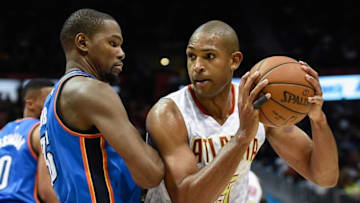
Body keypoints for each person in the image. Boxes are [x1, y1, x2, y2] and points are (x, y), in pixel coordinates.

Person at [144, 20, 339, 203]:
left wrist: (318, 120)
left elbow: (325, 177)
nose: (197, 67)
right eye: (191, 56)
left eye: (209, 56)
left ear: (234, 61)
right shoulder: (168, 114)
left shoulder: (260, 105)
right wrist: (242, 137)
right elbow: (187, 199)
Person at [39, 8, 164, 203]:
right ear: (82, 42)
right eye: (113, 43)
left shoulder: (53, 97)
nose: (121, 53)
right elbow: (150, 174)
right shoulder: (92, 91)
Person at [0, 79, 58, 202]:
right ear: (30, 104)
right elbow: (46, 192)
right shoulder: (41, 132)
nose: (54, 105)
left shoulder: (3, 131)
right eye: (49, 100)